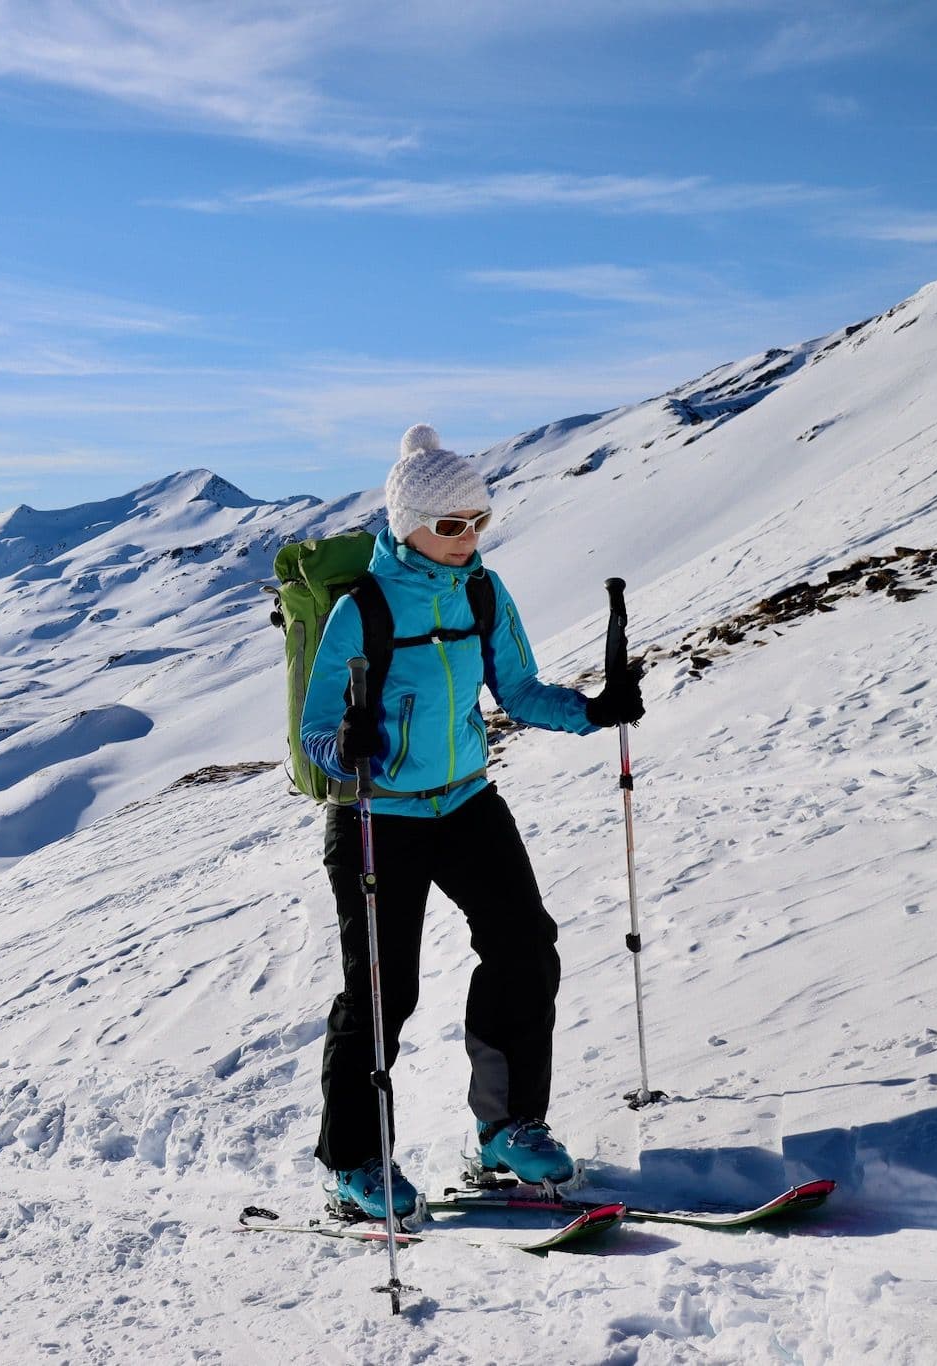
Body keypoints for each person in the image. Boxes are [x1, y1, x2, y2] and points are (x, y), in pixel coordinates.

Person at [298, 423, 645, 1221]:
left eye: (479, 521)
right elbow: (315, 734)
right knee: (382, 991)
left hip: (465, 802)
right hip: (377, 816)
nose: (469, 537)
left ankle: (507, 1128)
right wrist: (347, 745)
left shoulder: (483, 592)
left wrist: (593, 711)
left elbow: (517, 691)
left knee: (524, 947)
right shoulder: (361, 609)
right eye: (452, 524)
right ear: (408, 525)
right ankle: (351, 1162)